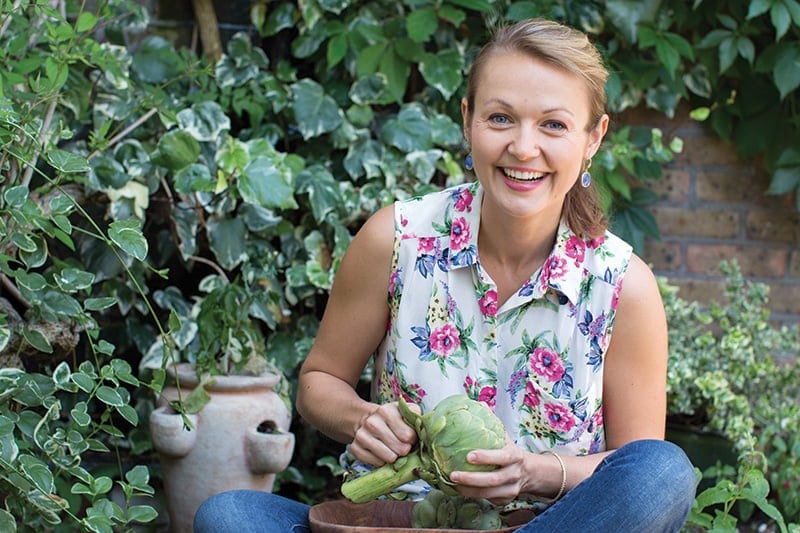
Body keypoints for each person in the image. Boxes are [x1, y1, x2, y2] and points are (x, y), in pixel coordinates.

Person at [193, 17, 697, 533]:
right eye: (500, 118)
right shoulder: (397, 239)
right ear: (467, 120)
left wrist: (538, 473)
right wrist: (362, 420)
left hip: (544, 524)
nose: (524, 148)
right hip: (394, 522)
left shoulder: (621, 285)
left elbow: (630, 467)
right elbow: (319, 383)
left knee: (663, 472)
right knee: (229, 515)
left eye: (553, 124)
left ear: (593, 137)